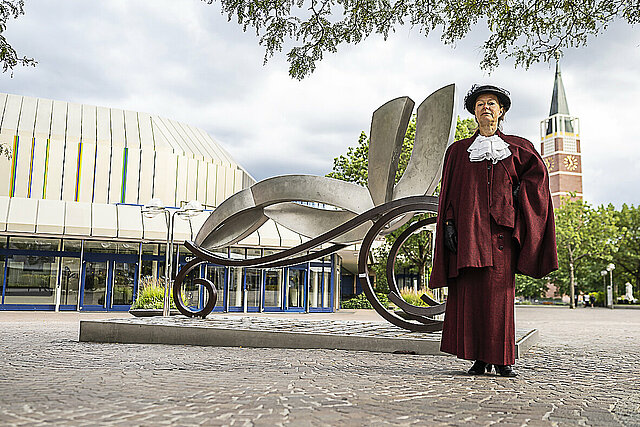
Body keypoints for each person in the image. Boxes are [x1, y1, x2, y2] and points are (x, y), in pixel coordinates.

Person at [428, 84, 558, 377]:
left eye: (492, 103)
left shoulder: (518, 147)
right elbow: (448, 193)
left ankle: (502, 359)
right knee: (471, 295)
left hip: (502, 236)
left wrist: (516, 194)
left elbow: (538, 181)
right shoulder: (458, 151)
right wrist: (448, 225)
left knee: (500, 298)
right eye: (480, 104)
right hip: (469, 236)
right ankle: (478, 358)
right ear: (474, 112)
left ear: (501, 111)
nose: (486, 107)